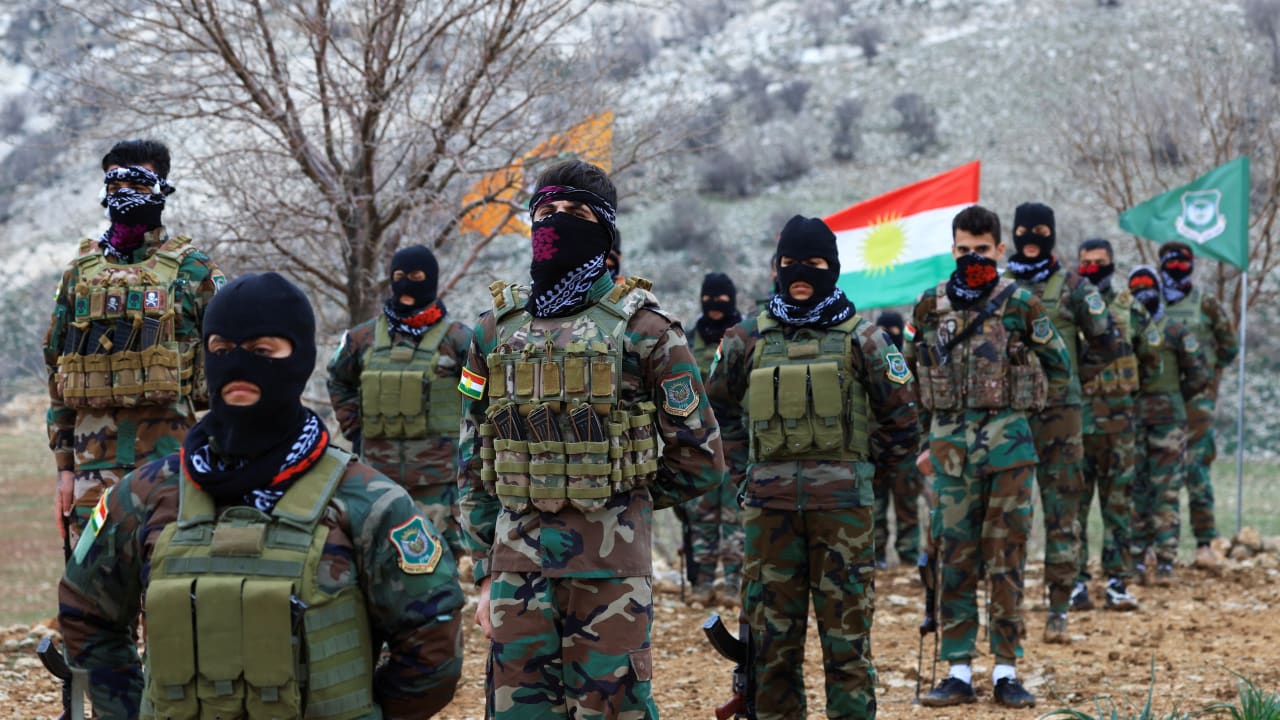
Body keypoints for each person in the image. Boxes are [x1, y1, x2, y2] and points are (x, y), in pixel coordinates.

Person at [58, 272, 465, 719]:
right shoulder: (146, 493)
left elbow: (433, 641)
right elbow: (86, 612)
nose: (237, 366)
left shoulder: (367, 500)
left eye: (261, 351)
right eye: (221, 350)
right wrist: (128, 711)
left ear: (300, 357)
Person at [456, 160, 726, 718]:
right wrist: (486, 571)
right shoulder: (491, 332)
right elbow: (472, 458)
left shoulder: (649, 332)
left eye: (575, 213)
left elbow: (701, 456)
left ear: (603, 231)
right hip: (516, 574)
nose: (556, 222)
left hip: (611, 577)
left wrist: (624, 492)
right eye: (546, 212)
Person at [706, 215, 919, 720]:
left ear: (834, 268)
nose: (800, 273)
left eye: (814, 263)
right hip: (769, 516)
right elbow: (716, 413)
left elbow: (904, 419)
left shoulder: (865, 340)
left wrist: (865, 477)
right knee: (771, 648)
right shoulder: (745, 339)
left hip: (844, 518)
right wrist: (744, 474)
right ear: (777, 267)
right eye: (790, 262)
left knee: (847, 647)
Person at [912, 205, 1072, 708]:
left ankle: (1006, 670)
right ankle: (957, 670)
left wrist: (1025, 412)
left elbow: (1060, 367)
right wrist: (923, 444)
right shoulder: (930, 305)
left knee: (1006, 560)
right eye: (964, 249)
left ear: (1000, 250)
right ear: (952, 250)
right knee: (954, 560)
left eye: (982, 250)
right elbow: (916, 376)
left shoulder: (1021, 303)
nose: (972, 258)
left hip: (1008, 453)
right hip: (950, 455)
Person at [43, 139, 226, 548]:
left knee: (169, 582)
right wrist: (65, 470)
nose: (124, 197)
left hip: (173, 467)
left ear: (162, 190)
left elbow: (231, 371)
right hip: (92, 474)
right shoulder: (79, 276)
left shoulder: (194, 271)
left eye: (138, 187)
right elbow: (57, 369)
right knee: (92, 584)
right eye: (114, 188)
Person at [1004, 202, 1115, 643]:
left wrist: (1071, 377)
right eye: (1023, 232)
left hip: (1061, 416)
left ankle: (1058, 608)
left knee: (1062, 513)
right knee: (1009, 517)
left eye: (1040, 231)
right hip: (1010, 415)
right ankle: (1009, 609)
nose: (1031, 239)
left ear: (1051, 234)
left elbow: (1106, 341)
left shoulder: (1073, 287)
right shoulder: (1000, 288)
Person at [327, 245, 472, 561]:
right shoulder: (361, 338)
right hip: (378, 478)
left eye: (416, 276)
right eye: (399, 276)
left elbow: (481, 395)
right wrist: (354, 429)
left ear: (430, 279)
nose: (406, 284)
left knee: (443, 562)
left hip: (440, 482)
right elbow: (338, 380)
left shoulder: (459, 339)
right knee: (377, 559)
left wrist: (470, 439)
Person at [1071, 239, 1159, 611]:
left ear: (1111, 263)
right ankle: (1075, 583)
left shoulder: (1130, 309)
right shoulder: (1068, 308)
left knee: (1118, 507)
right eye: (1086, 261)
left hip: (1119, 428)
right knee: (1073, 508)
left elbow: (1152, 360)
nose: (1093, 267)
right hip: (1075, 427)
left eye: (1100, 261)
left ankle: (1116, 582)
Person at [1127, 266, 1211, 585]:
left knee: (1166, 491)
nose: (1143, 293)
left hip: (1168, 424)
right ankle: (1137, 559)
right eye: (1136, 288)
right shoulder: (1126, 330)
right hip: (1134, 420)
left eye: (1147, 287)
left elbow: (1198, 374)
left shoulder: (1175, 331)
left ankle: (1165, 561)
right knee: (1136, 490)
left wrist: (1174, 397)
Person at [1158, 241, 1239, 568]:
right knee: (1159, 473)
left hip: (1196, 402)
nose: (1176, 267)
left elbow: (1229, 348)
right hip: (1160, 400)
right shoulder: (1151, 303)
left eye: (1183, 262)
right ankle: (1158, 547)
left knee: (1196, 469)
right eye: (1171, 261)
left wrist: (1207, 377)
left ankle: (1205, 542)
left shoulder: (1207, 304)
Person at [678, 271, 746, 604]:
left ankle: (734, 585)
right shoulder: (689, 341)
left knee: (736, 517)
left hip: (736, 443)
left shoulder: (744, 338)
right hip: (699, 444)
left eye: (721, 298)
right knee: (701, 517)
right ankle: (702, 584)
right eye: (709, 297)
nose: (715, 304)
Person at [872, 310, 923, 568]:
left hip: (907, 450)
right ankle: (877, 556)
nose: (888, 336)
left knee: (907, 509)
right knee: (875, 509)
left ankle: (909, 557)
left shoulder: (910, 366)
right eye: (883, 331)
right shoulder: (871, 363)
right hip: (875, 449)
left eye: (892, 331)